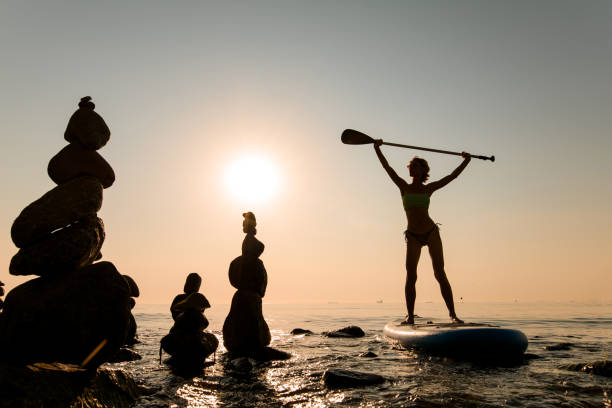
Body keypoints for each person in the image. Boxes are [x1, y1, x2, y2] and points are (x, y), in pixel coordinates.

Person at [373, 139, 470, 324]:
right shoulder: (404, 187)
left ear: (423, 170)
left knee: (439, 273)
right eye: (411, 166)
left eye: (415, 166)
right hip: (413, 236)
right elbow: (387, 168)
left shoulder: (429, 188)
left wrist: (466, 160)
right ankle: (410, 316)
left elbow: (452, 176)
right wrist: (377, 149)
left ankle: (453, 315)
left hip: (431, 232)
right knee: (411, 275)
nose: (412, 168)